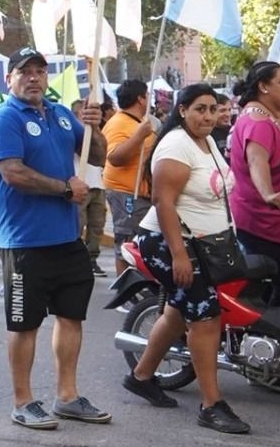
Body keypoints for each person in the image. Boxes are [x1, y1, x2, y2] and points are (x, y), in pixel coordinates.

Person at [0, 47, 112, 430]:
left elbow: (96, 156)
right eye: (25, 71)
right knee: (24, 324)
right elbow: (13, 173)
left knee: (71, 317)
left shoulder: (60, 115)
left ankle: (68, 396)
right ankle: (23, 401)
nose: (34, 78)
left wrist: (95, 126)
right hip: (25, 243)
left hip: (66, 239)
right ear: (10, 78)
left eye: (40, 71)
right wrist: (64, 189)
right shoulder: (4, 118)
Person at [121, 84, 251, 434]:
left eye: (213, 109)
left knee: (179, 310)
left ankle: (142, 375)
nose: (208, 116)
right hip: (168, 242)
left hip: (201, 242)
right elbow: (164, 203)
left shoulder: (206, 141)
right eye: (200, 109)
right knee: (206, 316)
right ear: (183, 110)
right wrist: (178, 254)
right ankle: (211, 405)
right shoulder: (176, 145)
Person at [228, 61, 280, 393]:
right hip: (263, 216)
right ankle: (263, 363)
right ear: (264, 87)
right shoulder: (257, 121)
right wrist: (268, 193)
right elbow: (257, 162)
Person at [103, 79, 155, 276]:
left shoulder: (137, 122)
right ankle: (126, 296)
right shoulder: (119, 124)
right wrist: (139, 136)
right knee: (126, 242)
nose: (149, 99)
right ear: (141, 99)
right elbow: (116, 157)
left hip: (140, 194)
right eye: (147, 95)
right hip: (126, 194)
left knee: (138, 242)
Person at [71, 98, 109, 277]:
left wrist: (94, 129)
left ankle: (92, 259)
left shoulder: (95, 132)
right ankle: (74, 259)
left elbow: (102, 154)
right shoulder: (72, 131)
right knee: (78, 223)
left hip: (97, 184)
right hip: (80, 182)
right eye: (83, 112)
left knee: (97, 225)